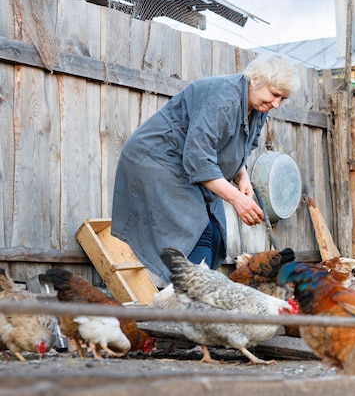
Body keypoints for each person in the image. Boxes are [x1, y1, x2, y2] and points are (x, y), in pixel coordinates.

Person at [110, 53, 301, 286]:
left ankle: (193, 298)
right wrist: (237, 200)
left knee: (215, 230)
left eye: (283, 98)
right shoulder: (223, 98)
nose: (277, 104)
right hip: (158, 159)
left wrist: (243, 178)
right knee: (196, 228)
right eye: (274, 94)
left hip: (189, 162)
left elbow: (237, 147)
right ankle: (190, 302)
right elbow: (199, 158)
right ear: (255, 80)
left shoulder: (258, 109)